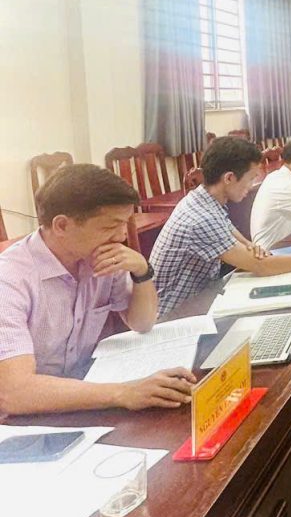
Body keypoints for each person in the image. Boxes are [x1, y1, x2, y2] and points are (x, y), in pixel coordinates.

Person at [0, 164, 196, 415]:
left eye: (124, 224)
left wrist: (142, 272)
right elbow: (15, 393)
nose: (121, 235)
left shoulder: (102, 258)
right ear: (62, 226)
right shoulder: (10, 280)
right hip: (22, 418)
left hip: (83, 393)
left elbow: (142, 323)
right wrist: (124, 393)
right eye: (109, 227)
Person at [151, 137, 291, 317]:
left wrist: (249, 245)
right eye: (251, 178)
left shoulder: (203, 198)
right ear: (229, 178)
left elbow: (227, 226)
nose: (251, 186)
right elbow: (261, 266)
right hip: (174, 315)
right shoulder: (201, 218)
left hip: (199, 298)